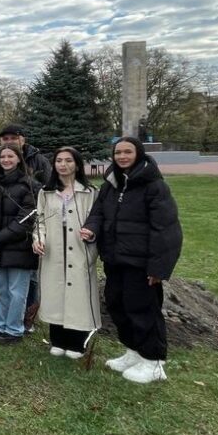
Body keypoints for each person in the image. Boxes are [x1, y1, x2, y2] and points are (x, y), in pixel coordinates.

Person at [81, 137, 182, 384]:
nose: (122, 157)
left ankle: (153, 361)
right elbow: (98, 213)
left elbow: (166, 229)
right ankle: (133, 351)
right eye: (118, 153)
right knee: (116, 304)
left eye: (128, 152)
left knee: (142, 309)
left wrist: (158, 268)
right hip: (115, 259)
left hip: (141, 263)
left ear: (139, 154)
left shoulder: (154, 186)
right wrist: (91, 229)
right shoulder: (111, 185)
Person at [33, 147, 101, 359]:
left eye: (68, 160)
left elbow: (98, 220)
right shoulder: (46, 192)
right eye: (59, 161)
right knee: (56, 291)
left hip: (79, 247)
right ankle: (58, 339)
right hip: (54, 247)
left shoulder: (90, 192)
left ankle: (77, 342)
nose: (63, 165)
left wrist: (92, 234)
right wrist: (38, 239)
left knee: (78, 293)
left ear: (77, 165)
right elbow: (40, 220)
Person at [0, 124, 52, 330]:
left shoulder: (38, 161)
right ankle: (2, 319)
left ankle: (26, 317)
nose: (9, 141)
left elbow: (46, 193)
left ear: (23, 139)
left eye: (14, 137)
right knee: (0, 283)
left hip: (24, 234)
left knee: (26, 281)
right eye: (5, 139)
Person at [0, 143, 41, 345]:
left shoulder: (29, 185)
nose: (6, 160)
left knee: (17, 291)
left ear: (19, 159)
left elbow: (26, 218)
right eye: (3, 157)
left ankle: (14, 329)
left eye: (10, 156)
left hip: (18, 247)